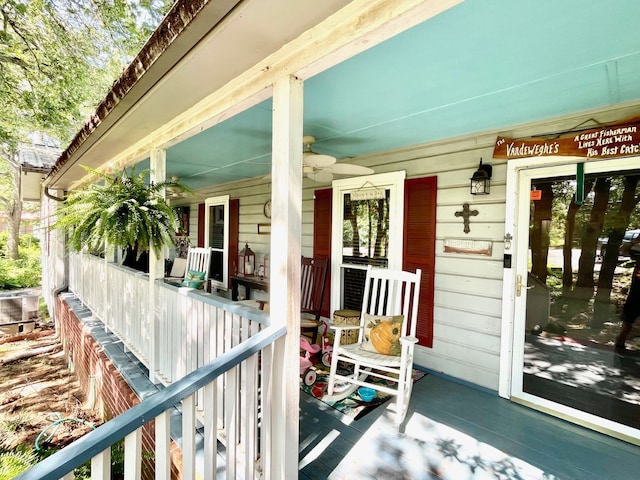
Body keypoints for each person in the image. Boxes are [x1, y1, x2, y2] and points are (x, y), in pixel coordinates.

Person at [614, 243, 640, 354]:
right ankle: (619, 346)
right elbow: (623, 249)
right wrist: (635, 241)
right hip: (636, 296)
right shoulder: (638, 253)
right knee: (627, 325)